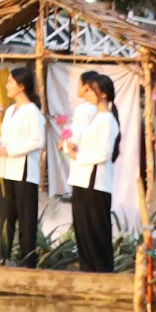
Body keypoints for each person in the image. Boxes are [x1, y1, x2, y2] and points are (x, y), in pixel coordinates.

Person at [64, 70, 121, 273]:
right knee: (83, 227)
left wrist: (79, 156)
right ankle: (87, 266)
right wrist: (72, 147)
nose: (86, 93)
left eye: (91, 90)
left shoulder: (107, 119)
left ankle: (102, 269)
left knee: (96, 228)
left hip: (95, 181)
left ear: (103, 94)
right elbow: (84, 142)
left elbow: (104, 153)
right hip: (83, 178)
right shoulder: (94, 116)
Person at [0, 65, 45, 266]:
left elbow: (38, 141)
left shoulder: (32, 111)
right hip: (7, 169)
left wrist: (11, 150)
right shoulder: (9, 111)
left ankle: (27, 262)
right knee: (6, 218)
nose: (7, 85)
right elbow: (7, 138)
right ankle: (4, 258)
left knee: (26, 220)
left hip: (24, 171)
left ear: (21, 86)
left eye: (10, 82)